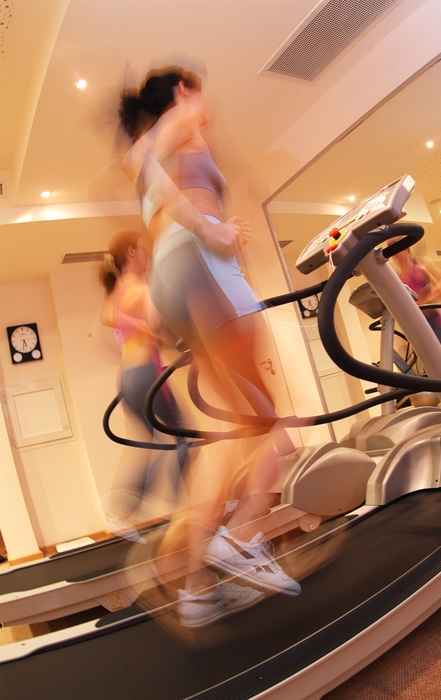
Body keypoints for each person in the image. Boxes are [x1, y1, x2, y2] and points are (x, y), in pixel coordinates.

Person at [119, 66, 300, 627]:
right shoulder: (183, 120)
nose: (205, 100)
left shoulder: (186, 137)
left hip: (182, 279)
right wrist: (211, 229)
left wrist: (214, 229)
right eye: (198, 88)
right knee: (278, 421)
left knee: (230, 436)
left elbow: (154, 183)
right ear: (182, 91)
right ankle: (243, 536)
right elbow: (138, 164)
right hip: (202, 272)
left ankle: (194, 581)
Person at [99, 230, 188, 544]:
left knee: (151, 443)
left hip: (127, 378)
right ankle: (191, 507)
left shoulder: (119, 289)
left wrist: (134, 325)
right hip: (148, 374)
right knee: (186, 438)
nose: (147, 255)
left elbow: (107, 315)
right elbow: (159, 330)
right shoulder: (139, 287)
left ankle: (120, 513)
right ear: (131, 252)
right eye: (143, 250)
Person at [391, 244, 441, 347]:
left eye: (395, 247)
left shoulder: (421, 263)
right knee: (426, 357)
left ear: (406, 248)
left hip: (434, 318)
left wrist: (431, 295)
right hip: (418, 322)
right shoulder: (397, 276)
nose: (394, 253)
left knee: (438, 354)